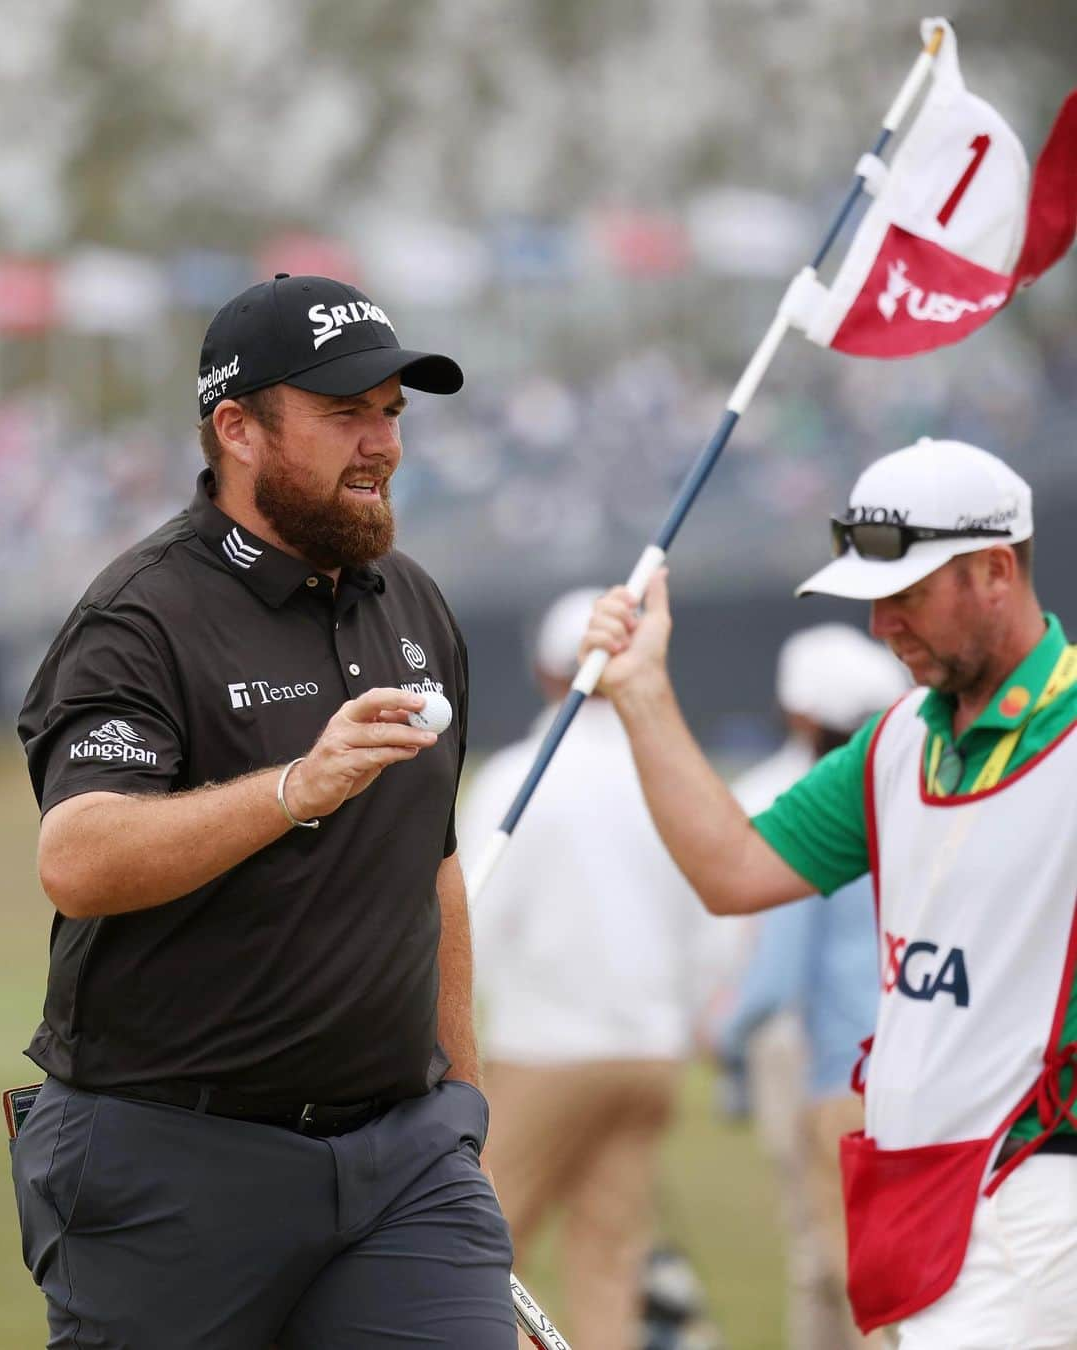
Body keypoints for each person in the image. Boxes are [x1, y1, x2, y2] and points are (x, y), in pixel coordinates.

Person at [12, 273, 517, 1349]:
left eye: (391, 413)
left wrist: (458, 1115)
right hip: (169, 1163)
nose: (380, 443)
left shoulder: (415, 603)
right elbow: (79, 856)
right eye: (344, 414)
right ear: (237, 429)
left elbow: (430, 869)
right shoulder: (139, 616)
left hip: (402, 1166)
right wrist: (295, 789)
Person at [580, 438, 1077, 1349]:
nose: (884, 624)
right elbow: (732, 870)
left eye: (909, 593)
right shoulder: (896, 741)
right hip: (919, 1191)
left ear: (997, 570)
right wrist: (644, 692)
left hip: (1042, 1193)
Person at [460, 588, 728, 1350]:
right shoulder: (672, 778)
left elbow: (471, 921)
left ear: (549, 671)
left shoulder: (520, 774)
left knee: (472, 1250)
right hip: (651, 1052)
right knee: (611, 1261)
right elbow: (710, 916)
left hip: (546, 1048)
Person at [710, 624, 907, 1350]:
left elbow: (774, 976)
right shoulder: (917, 798)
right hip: (927, 1066)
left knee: (849, 1264)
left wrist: (720, 1037)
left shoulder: (818, 815)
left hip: (843, 1077)